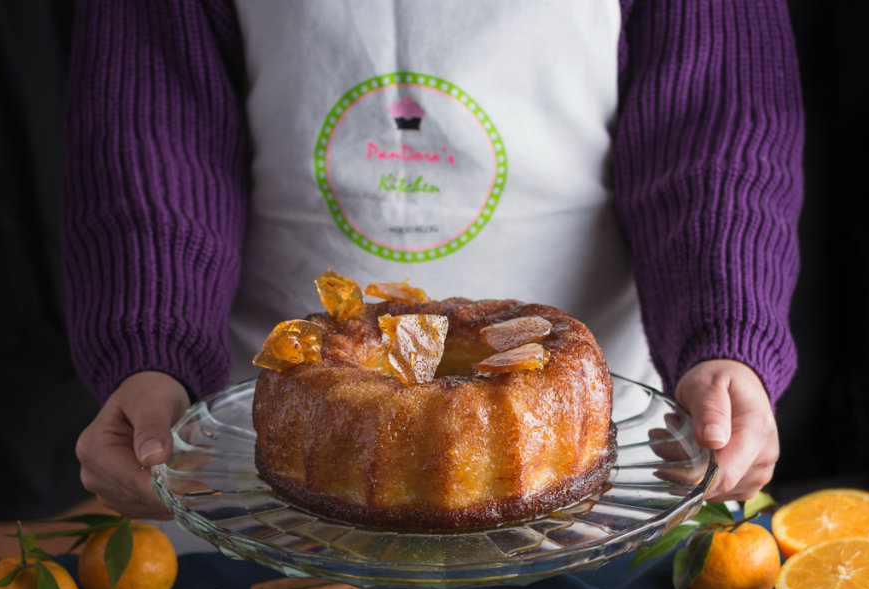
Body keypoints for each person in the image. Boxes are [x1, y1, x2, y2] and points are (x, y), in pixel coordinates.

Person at [62, 0, 802, 520]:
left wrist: (723, 333)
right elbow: (151, 131)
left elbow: (716, 126)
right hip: (275, 452)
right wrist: (151, 351)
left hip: (593, 455)